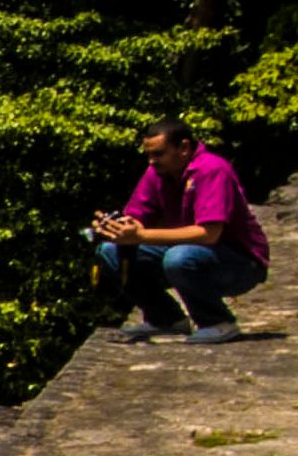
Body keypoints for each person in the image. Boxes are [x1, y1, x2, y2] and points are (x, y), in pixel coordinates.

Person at [88, 120, 264, 341]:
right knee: (111, 251)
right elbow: (137, 216)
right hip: (192, 254)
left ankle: (217, 321)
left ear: (184, 148)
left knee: (178, 257)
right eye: (149, 155)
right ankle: (165, 319)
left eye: (159, 154)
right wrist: (116, 229)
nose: (152, 161)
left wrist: (140, 236)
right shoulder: (158, 172)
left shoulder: (211, 170)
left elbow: (209, 234)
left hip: (238, 263)